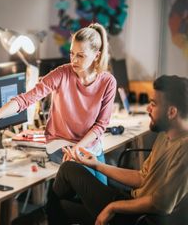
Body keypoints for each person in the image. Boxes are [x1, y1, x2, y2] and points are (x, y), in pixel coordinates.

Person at [0, 23, 117, 185]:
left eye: (81, 56)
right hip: (60, 143)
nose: (74, 60)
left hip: (89, 146)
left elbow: (100, 125)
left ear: (96, 56)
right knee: (91, 184)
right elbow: (26, 99)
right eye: (72, 53)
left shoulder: (108, 82)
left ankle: (57, 208)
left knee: (103, 190)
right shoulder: (62, 73)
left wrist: (78, 148)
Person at [46, 75, 188, 225]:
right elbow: (142, 177)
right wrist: (96, 164)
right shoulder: (166, 134)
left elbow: (161, 205)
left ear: (172, 112)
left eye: (153, 104)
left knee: (67, 172)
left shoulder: (184, 149)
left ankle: (50, 210)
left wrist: (112, 207)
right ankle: (51, 209)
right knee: (61, 204)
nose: (148, 108)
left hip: (142, 217)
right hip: (136, 199)